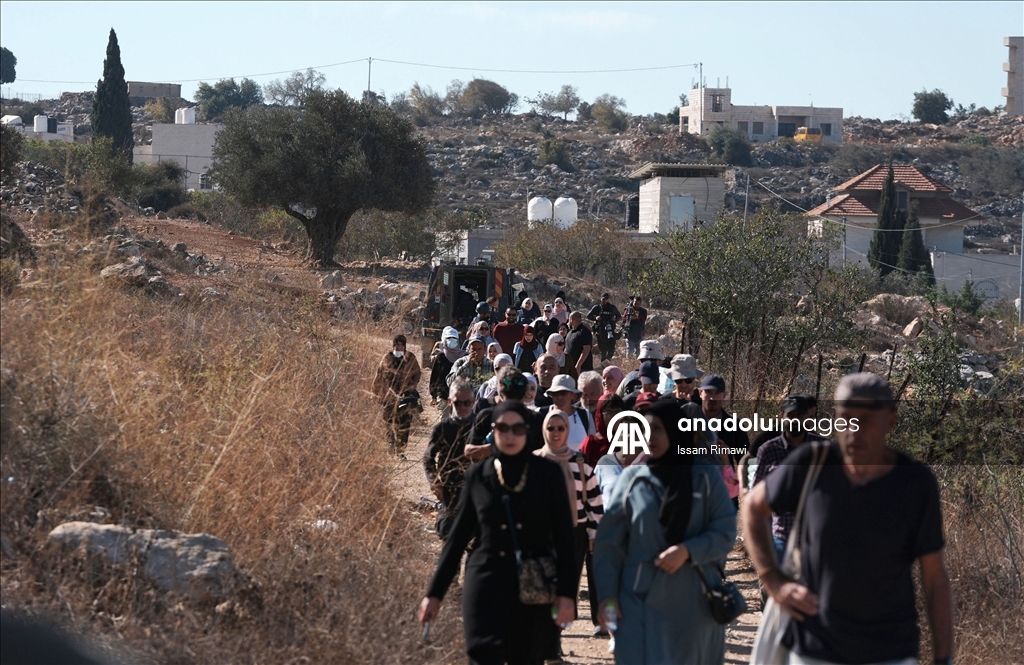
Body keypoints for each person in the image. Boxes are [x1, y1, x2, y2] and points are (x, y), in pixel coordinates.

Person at [742, 373, 953, 665]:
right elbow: (753, 506)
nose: (854, 430)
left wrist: (944, 657)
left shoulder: (915, 483)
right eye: (846, 418)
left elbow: (935, 578)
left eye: (866, 420)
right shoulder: (812, 464)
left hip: (891, 651)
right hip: (815, 648)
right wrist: (773, 579)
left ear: (890, 421)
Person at [419, 401, 578, 665]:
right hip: (486, 581)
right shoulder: (478, 475)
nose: (510, 435)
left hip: (533, 585)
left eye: (517, 429)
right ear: (493, 431)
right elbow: (457, 540)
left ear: (527, 431)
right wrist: (434, 595)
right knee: (482, 655)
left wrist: (566, 595)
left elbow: (564, 539)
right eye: (503, 428)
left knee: (526, 657)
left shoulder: (547, 474)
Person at [594, 401, 736, 664]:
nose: (650, 437)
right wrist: (607, 597)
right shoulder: (633, 480)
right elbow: (608, 545)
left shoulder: (705, 477)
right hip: (638, 601)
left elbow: (725, 531)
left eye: (657, 428)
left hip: (694, 600)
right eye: (645, 430)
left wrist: (688, 551)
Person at [536, 409, 604, 638]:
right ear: (544, 430)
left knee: (569, 580)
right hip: (543, 532)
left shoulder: (580, 463)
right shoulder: (535, 462)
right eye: (551, 428)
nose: (556, 433)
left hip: (577, 531)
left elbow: (595, 503)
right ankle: (551, 633)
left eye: (561, 428)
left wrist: (593, 536)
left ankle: (561, 625)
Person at [748, 395, 822, 561]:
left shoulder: (821, 449)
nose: (795, 420)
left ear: (806, 417)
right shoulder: (768, 449)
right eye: (790, 415)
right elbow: (757, 496)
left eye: (799, 415)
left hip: (814, 538)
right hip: (780, 535)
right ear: (782, 416)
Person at [423, 380, 476, 540]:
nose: (462, 408)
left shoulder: (479, 425)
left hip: (474, 488)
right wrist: (434, 482)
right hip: (449, 488)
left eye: (467, 403)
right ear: (450, 402)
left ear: (473, 402)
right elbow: (428, 458)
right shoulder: (442, 428)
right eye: (458, 403)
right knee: (447, 532)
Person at [466, 367, 545, 459]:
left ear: (501, 391)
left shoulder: (486, 415)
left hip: (492, 471)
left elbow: (469, 452)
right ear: (524, 392)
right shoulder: (535, 418)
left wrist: (496, 446)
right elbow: (469, 451)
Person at [371, 334, 422, 455]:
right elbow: (379, 376)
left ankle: (401, 451)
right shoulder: (387, 358)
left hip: (405, 396)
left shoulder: (410, 358)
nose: (399, 347)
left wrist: (413, 385)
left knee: (404, 424)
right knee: (390, 423)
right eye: (397, 345)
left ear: (405, 346)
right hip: (389, 397)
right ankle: (391, 446)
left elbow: (417, 373)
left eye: (401, 345)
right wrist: (375, 393)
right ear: (393, 345)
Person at [544, 375, 595, 451]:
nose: (560, 397)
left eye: (563, 393)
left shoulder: (585, 416)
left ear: (573, 396)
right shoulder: (540, 414)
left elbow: (593, 447)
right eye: (556, 393)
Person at [580, 393, 626, 468]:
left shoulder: (630, 440)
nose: (614, 416)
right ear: (600, 415)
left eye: (617, 411)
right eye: (609, 412)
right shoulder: (591, 442)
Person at [430, 327, 466, 417]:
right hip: (443, 394)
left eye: (454, 338)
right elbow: (435, 376)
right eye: (449, 338)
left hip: (459, 396)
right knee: (444, 420)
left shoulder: (464, 357)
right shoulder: (441, 357)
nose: (452, 340)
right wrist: (433, 395)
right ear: (444, 341)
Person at [587, 293, 622, 362]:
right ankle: (603, 364)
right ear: (601, 299)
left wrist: (615, 319)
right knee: (603, 350)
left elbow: (619, 316)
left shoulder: (612, 308)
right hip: (600, 330)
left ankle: (608, 361)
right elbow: (588, 316)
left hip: (610, 330)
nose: (605, 300)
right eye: (603, 299)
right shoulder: (597, 307)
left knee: (611, 349)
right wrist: (595, 318)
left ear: (608, 299)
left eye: (606, 299)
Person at [564, 311, 594, 378]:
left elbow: (586, 349)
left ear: (571, 319)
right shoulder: (570, 332)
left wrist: (578, 365)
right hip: (571, 367)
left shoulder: (584, 332)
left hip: (583, 369)